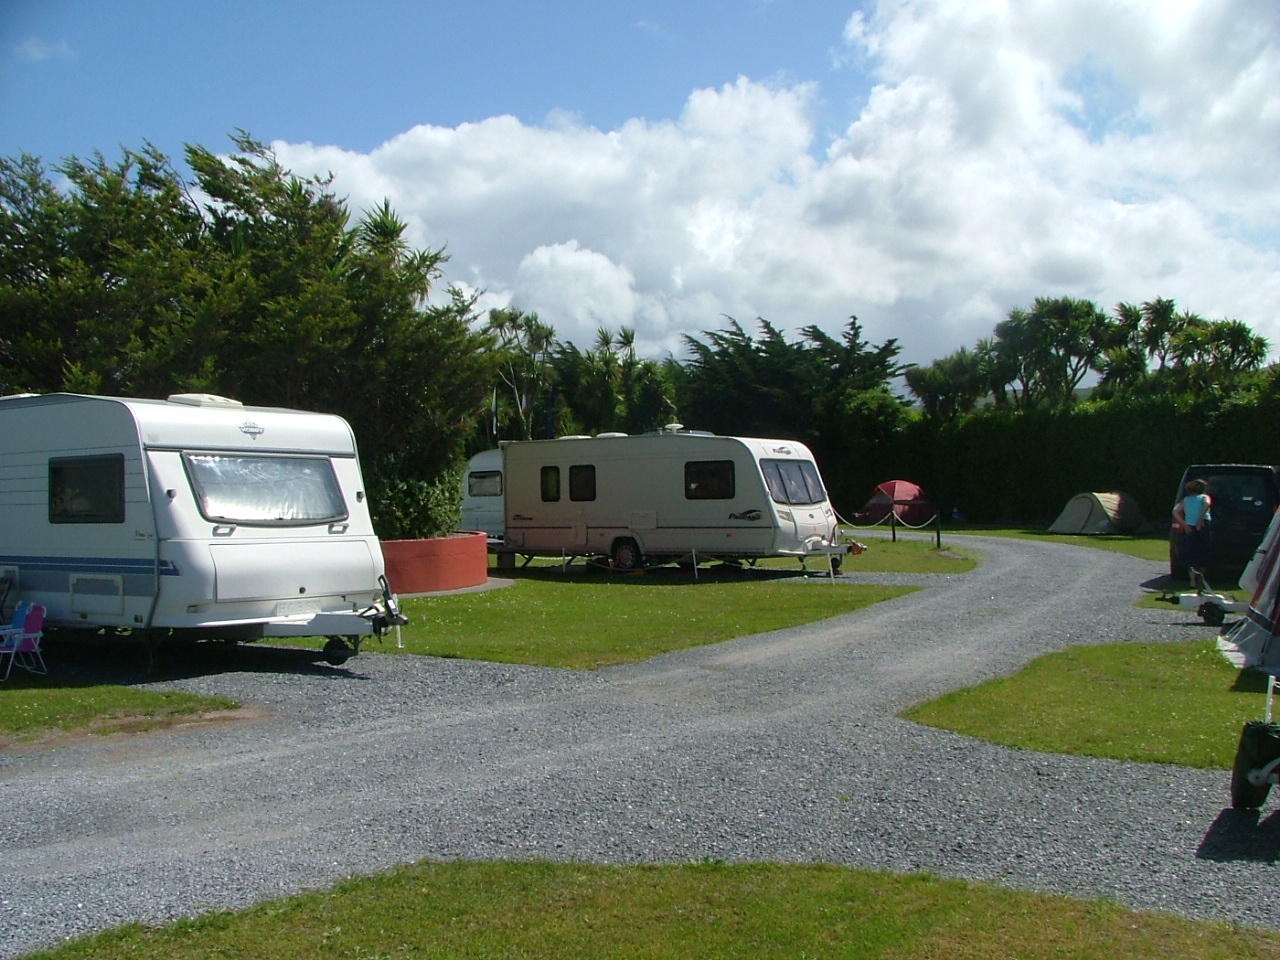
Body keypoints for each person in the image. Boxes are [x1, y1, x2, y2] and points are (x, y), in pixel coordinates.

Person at [1173, 479, 1212, 589]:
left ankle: (1192, 581)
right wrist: (1200, 519)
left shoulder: (1186, 500)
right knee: (1204, 551)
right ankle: (1201, 578)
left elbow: (1175, 511)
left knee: (1192, 552)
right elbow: (1207, 504)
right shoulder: (1204, 497)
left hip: (1190, 527)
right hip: (1203, 525)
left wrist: (1184, 525)